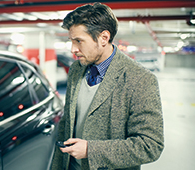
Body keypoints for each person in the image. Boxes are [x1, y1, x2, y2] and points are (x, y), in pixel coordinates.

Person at [51, 2, 164, 170]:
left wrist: (91, 150)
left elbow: (150, 145)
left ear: (104, 38)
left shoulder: (140, 79)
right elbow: (67, 123)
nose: (73, 49)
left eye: (79, 41)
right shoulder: (76, 69)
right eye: (71, 41)